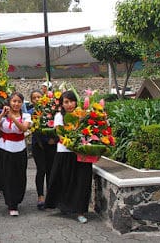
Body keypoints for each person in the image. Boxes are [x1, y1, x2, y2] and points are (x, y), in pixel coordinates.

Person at [44, 90, 92, 224]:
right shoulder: (59, 116)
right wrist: (72, 142)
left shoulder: (83, 114)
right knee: (63, 180)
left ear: (76, 101)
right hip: (64, 152)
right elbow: (60, 134)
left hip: (81, 152)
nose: (70, 104)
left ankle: (81, 211)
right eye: (66, 102)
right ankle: (63, 206)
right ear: (62, 104)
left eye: (72, 101)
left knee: (81, 183)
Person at [0, 92, 31, 216]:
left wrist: (13, 117)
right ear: (9, 102)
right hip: (5, 148)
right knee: (7, 176)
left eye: (19, 101)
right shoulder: (1, 116)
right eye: (14, 101)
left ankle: (17, 200)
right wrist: (2, 114)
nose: (16, 104)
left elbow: (23, 129)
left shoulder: (26, 116)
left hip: (20, 148)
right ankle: (11, 204)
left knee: (19, 176)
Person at [28, 90, 58, 210]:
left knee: (51, 170)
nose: (36, 99)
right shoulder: (31, 113)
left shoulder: (51, 111)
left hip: (51, 144)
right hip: (38, 145)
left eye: (39, 97)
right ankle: (40, 196)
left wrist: (54, 139)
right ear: (31, 100)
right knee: (41, 170)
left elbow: (58, 127)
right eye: (34, 98)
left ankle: (51, 196)